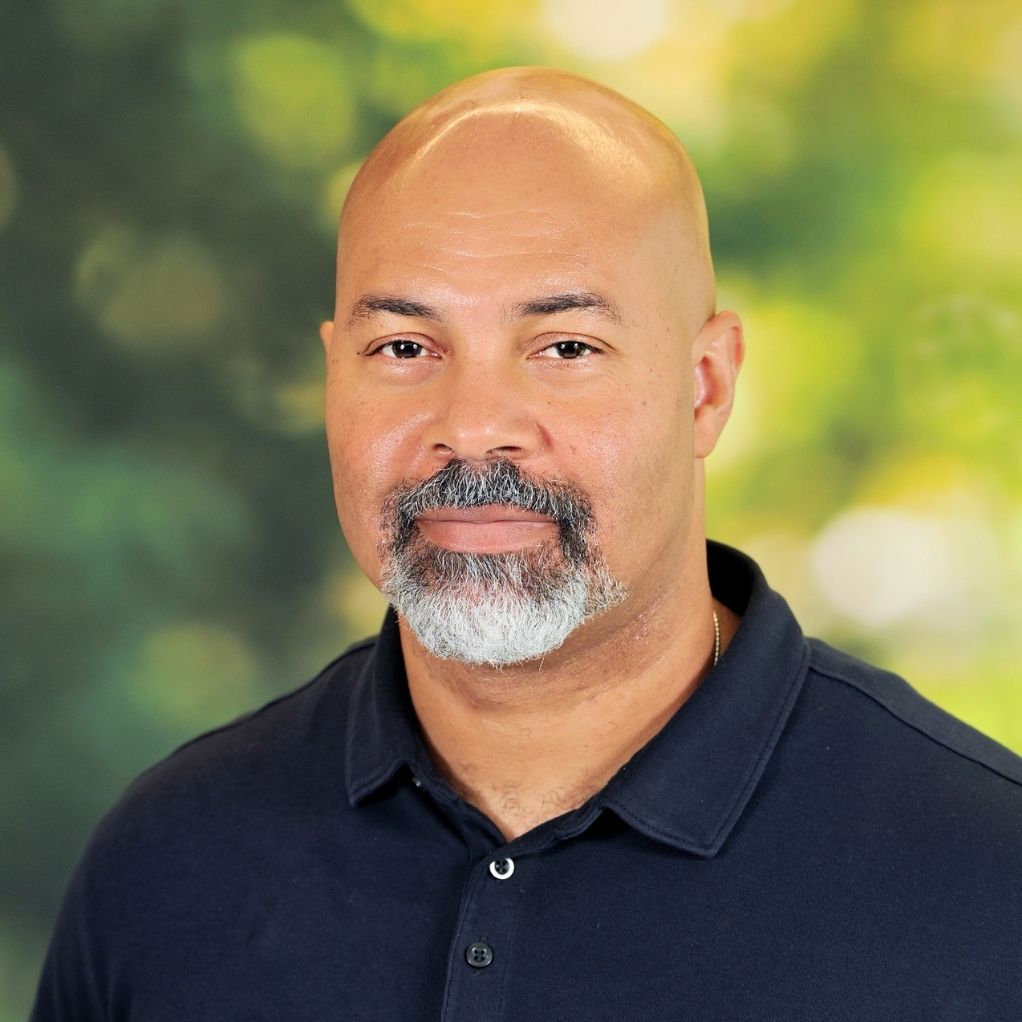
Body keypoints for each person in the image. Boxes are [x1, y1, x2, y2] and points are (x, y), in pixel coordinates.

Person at [32, 67, 1022, 1021]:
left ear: (705, 388)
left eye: (565, 348)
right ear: (334, 375)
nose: (472, 426)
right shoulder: (167, 862)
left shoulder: (986, 879)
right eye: (405, 348)